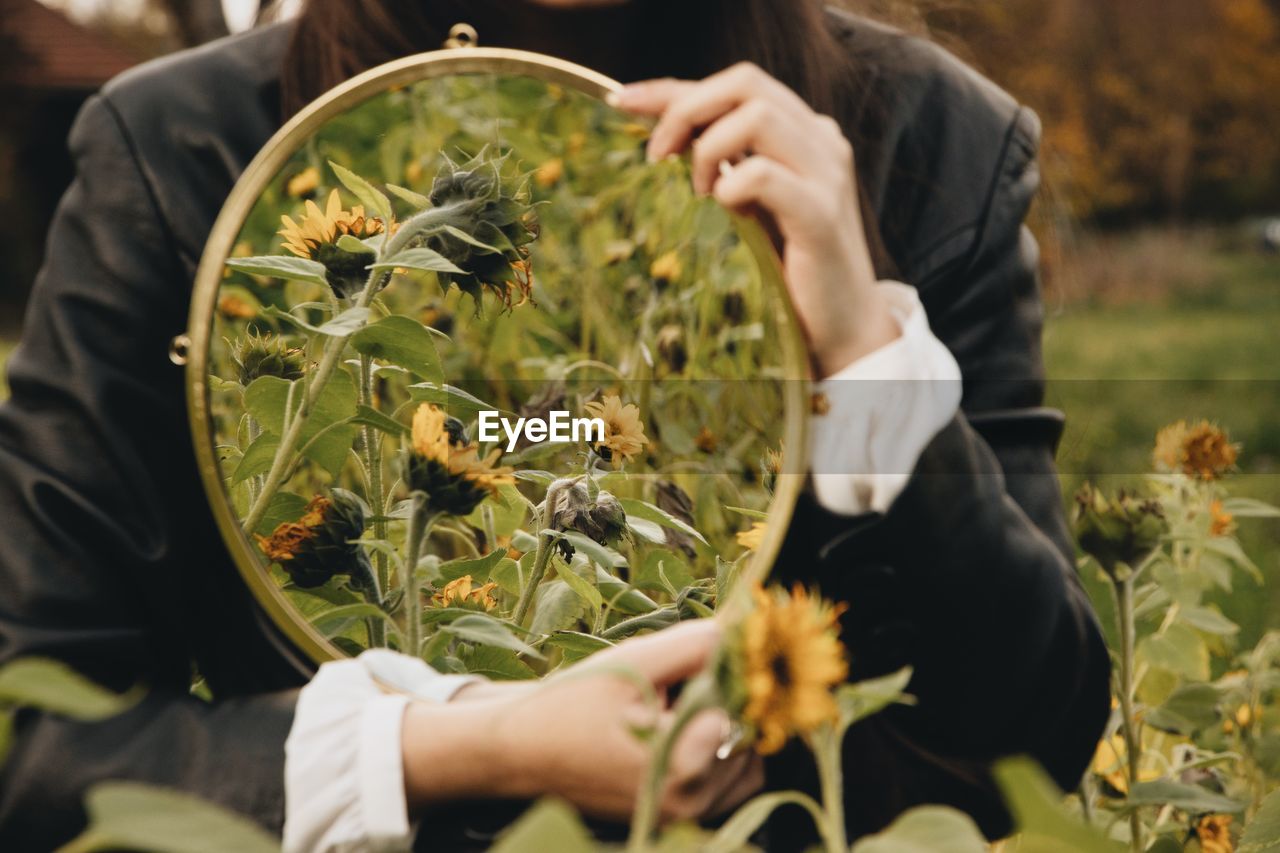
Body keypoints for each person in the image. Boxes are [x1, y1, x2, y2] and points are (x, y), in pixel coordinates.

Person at [0, 0, 1111, 850]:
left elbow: (1029, 730)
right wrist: (448, 748)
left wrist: (866, 353)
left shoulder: (925, 139)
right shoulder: (183, 149)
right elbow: (35, 743)